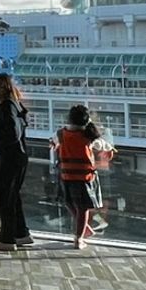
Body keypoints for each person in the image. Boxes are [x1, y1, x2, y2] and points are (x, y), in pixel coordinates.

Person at [0, 74, 35, 251]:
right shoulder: (15, 103)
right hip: (20, 157)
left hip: (11, 157)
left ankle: (7, 239)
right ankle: (21, 233)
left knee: (5, 198)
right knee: (13, 197)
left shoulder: (7, 106)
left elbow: (12, 134)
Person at [54, 104, 106, 250]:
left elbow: (54, 143)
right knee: (83, 208)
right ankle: (79, 238)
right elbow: (101, 146)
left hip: (66, 175)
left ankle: (83, 229)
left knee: (69, 202)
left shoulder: (61, 133)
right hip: (84, 177)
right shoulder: (88, 135)